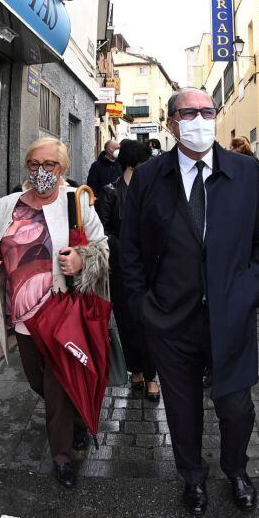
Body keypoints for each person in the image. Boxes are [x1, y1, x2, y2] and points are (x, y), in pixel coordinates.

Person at [122, 87, 259, 516]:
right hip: (171, 320)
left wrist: (252, 289)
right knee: (182, 410)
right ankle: (192, 478)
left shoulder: (245, 172)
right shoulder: (150, 178)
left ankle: (236, 469)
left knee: (236, 406)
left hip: (232, 317)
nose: (198, 119)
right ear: (172, 123)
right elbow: (130, 250)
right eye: (188, 112)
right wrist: (143, 307)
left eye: (206, 111)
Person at [0, 138, 110, 489]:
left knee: (58, 382)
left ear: (62, 169)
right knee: (39, 382)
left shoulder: (75, 201)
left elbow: (103, 248)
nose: (41, 172)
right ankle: (76, 418)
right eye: (34, 164)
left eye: (49, 165)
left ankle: (61, 457)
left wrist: (82, 261)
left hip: (60, 313)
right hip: (21, 315)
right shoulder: (7, 205)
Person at [95, 139, 158, 403]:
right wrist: (122, 249)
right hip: (121, 268)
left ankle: (152, 376)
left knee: (151, 322)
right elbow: (101, 230)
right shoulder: (111, 192)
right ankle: (136, 370)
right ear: (135, 163)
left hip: (151, 268)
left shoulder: (154, 190)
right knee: (128, 322)